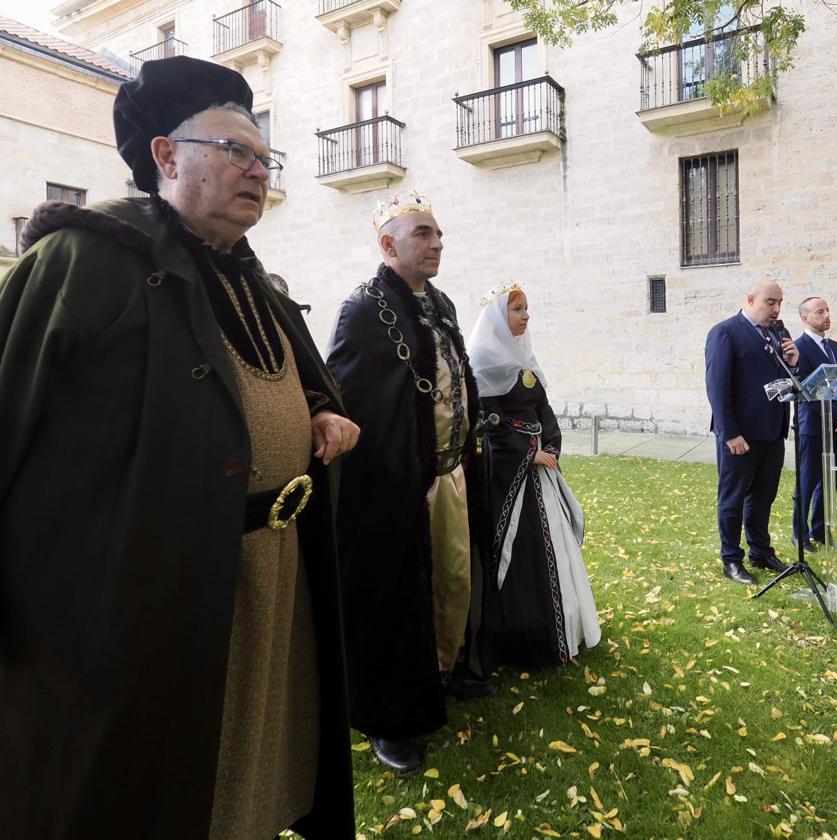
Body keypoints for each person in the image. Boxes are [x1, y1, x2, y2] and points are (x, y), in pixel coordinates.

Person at [0, 56, 359, 839]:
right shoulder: (81, 260)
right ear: (166, 156)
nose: (257, 170)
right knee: (157, 785)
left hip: (272, 576)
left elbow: (299, 378)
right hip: (141, 599)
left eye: (265, 158)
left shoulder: (253, 279)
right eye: (237, 151)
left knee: (256, 767)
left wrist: (324, 415)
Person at [326, 190, 493, 775]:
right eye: (423, 233)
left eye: (439, 233)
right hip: (395, 482)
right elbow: (346, 396)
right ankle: (388, 721)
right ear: (387, 243)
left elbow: (457, 377)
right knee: (395, 598)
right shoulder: (364, 308)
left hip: (449, 471)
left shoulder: (441, 302)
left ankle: (440, 675)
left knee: (451, 580)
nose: (437, 243)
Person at [467, 285, 601, 669]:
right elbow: (487, 426)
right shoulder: (480, 365)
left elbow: (544, 412)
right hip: (508, 479)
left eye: (527, 309)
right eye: (517, 310)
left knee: (554, 554)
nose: (526, 316)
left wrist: (550, 447)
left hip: (541, 475)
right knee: (519, 555)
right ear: (497, 318)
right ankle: (521, 638)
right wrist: (528, 452)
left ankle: (560, 631)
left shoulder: (526, 361)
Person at [704, 279, 799, 585]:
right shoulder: (726, 332)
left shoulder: (778, 335)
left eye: (780, 303)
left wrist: (794, 364)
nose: (776, 309)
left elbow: (785, 381)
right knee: (733, 498)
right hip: (740, 436)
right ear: (750, 299)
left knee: (763, 496)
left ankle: (760, 550)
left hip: (772, 432)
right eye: (770, 302)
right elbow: (717, 388)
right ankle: (731, 559)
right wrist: (730, 433)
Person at [792, 297, 837, 551]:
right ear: (805, 317)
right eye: (820, 311)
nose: (827, 315)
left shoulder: (835, 346)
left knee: (830, 482)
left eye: (828, 310)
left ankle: (821, 530)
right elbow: (808, 391)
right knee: (807, 483)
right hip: (814, 425)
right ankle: (800, 534)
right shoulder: (799, 348)